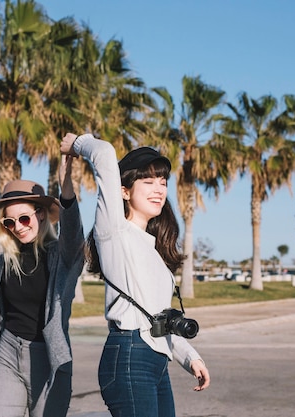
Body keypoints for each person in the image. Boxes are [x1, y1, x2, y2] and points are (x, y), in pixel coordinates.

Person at [60, 133, 210, 417]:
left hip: (155, 362)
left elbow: (158, 320)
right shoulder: (114, 232)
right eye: (148, 181)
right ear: (125, 191)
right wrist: (76, 144)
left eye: (163, 182)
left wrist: (190, 357)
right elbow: (103, 153)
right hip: (129, 356)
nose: (159, 190)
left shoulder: (153, 250)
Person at [0, 154, 85, 417]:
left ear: (41, 214)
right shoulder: (5, 262)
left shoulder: (61, 256)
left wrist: (66, 189)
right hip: (7, 353)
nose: (18, 227)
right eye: (9, 222)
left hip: (48, 357)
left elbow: (74, 236)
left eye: (24, 218)